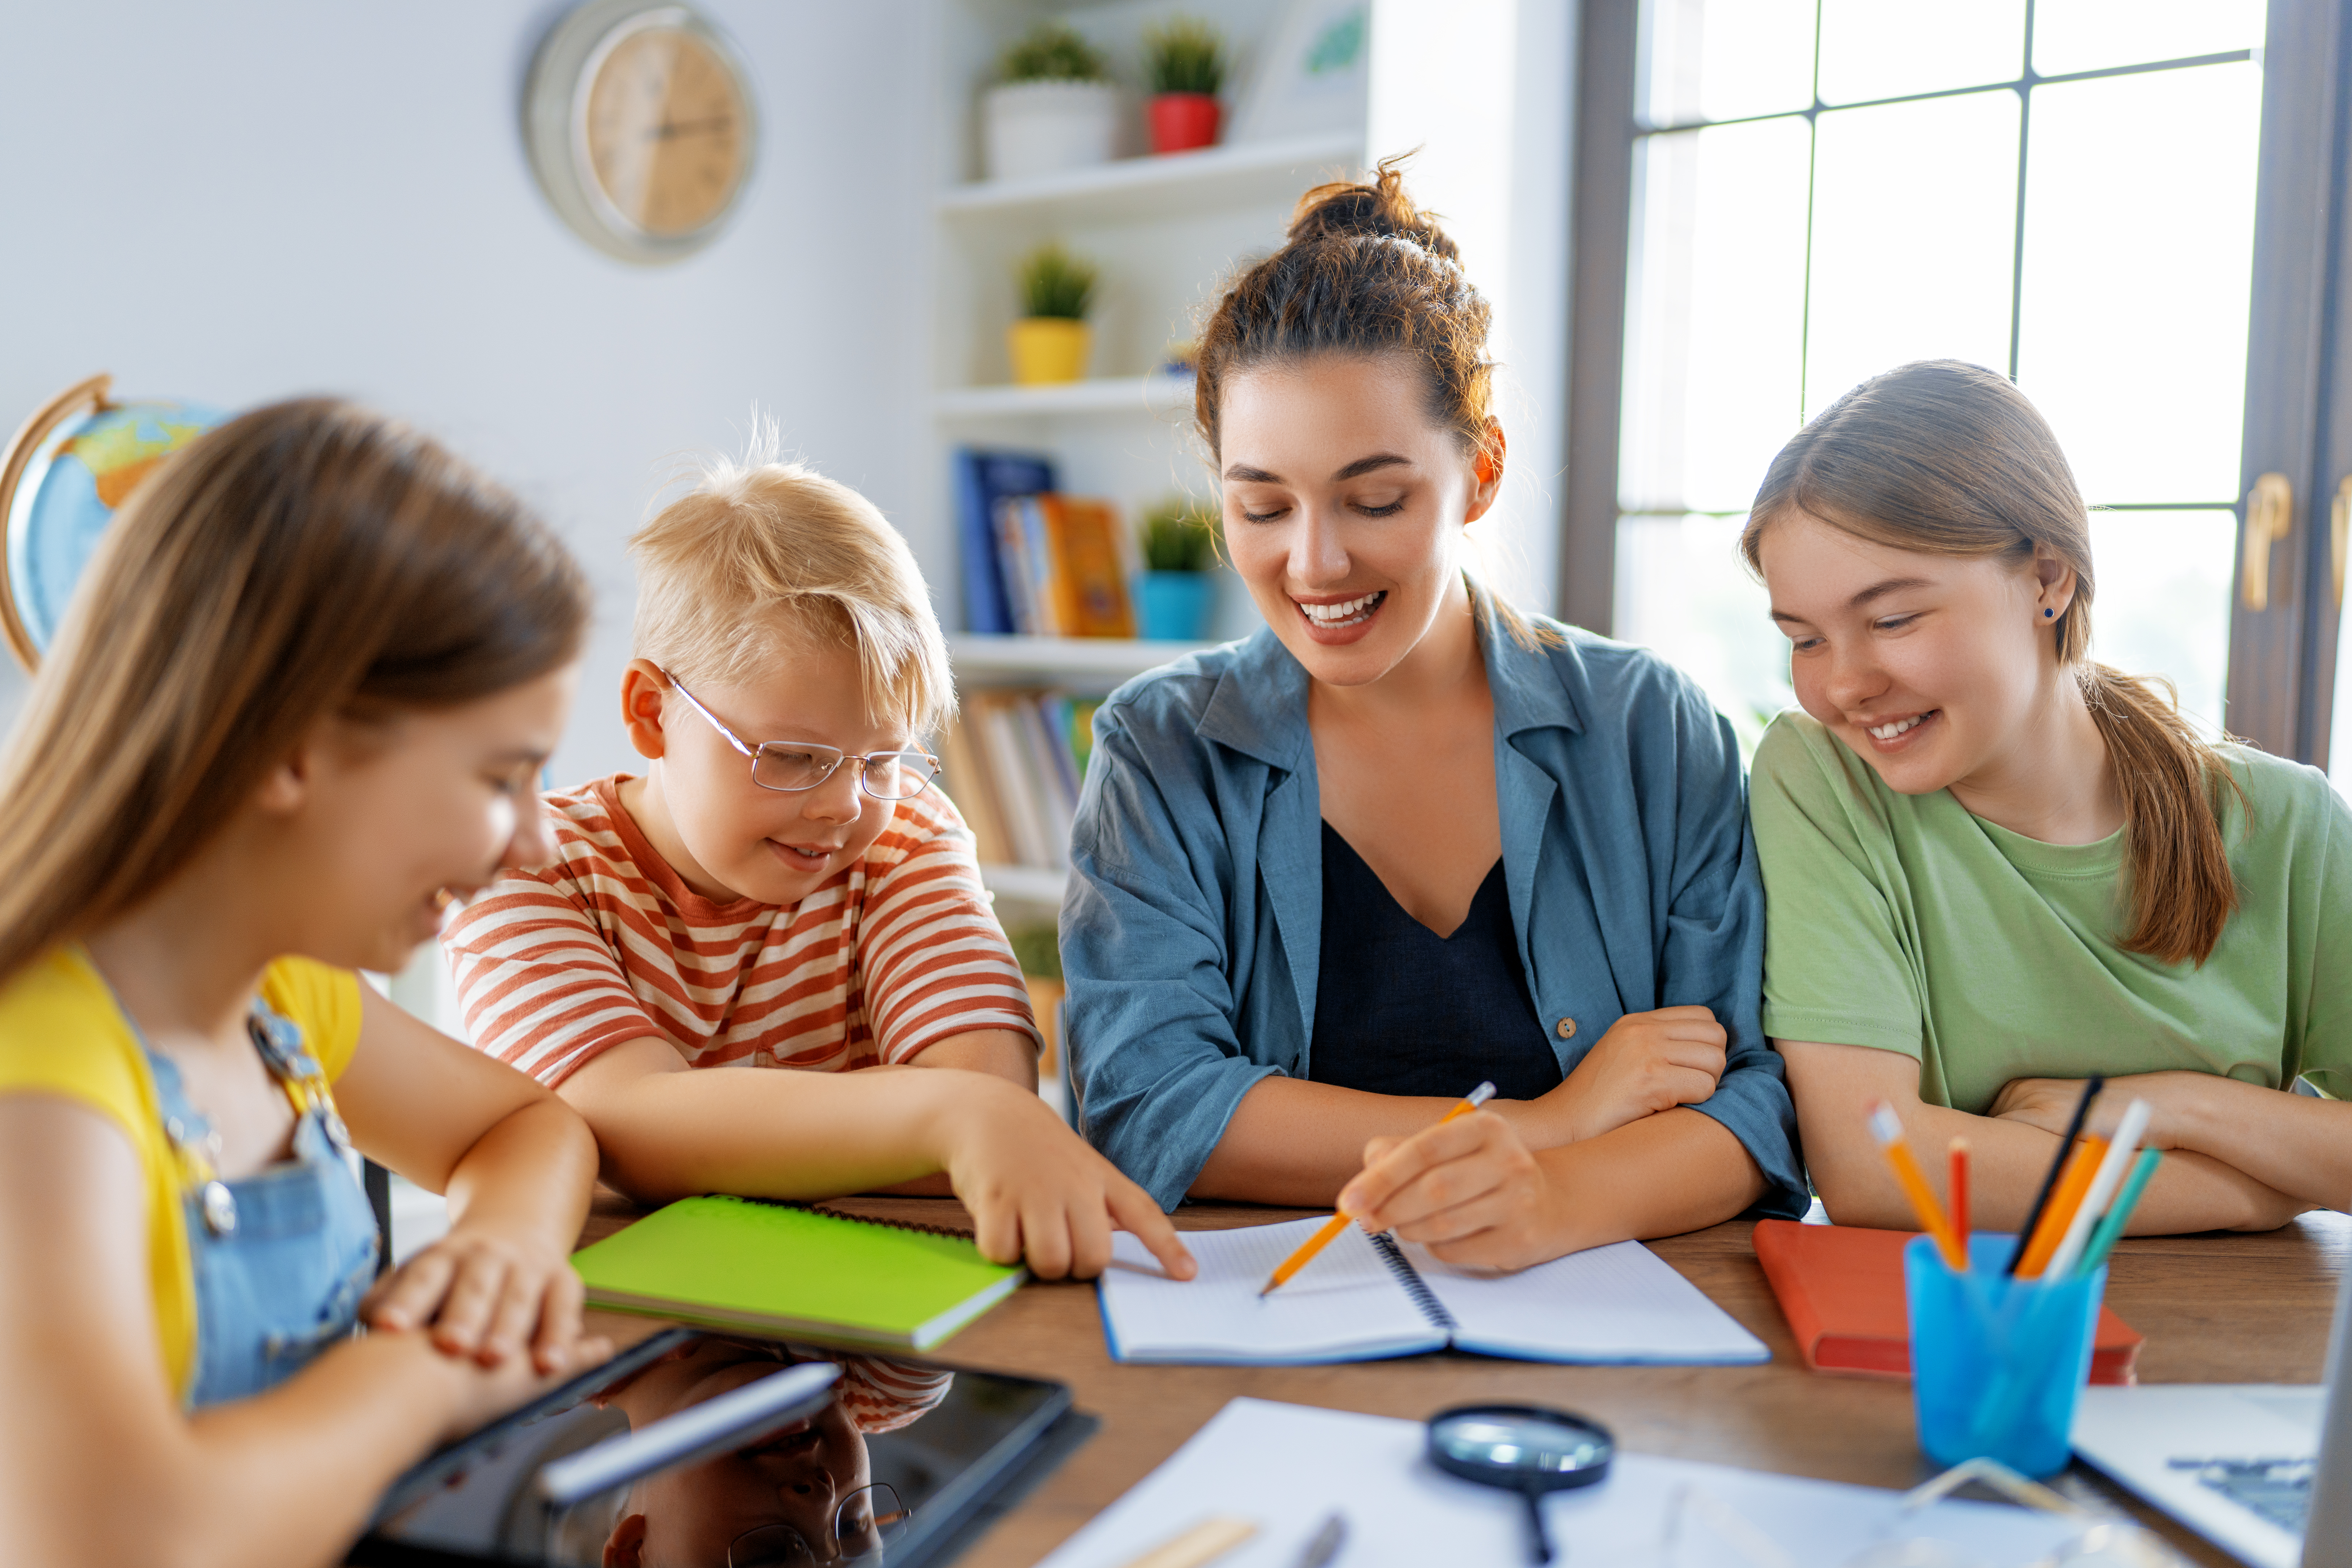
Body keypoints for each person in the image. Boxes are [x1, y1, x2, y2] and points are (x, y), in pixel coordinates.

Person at [1059, 162, 1807, 1271]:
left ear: (1482, 470)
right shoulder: (1159, 749)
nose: (1314, 561)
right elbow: (1149, 1102)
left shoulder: (1652, 729)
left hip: (1602, 1316)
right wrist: (1548, 1125)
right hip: (1268, 1325)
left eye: (1375, 499)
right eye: (1262, 505)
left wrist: (1550, 1203)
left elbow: (1755, 1104)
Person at [0, 400, 616, 1568]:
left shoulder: (280, 996)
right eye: (503, 777)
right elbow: (126, 1539)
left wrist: (506, 1248)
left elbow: (529, 1126)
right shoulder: (41, 1080)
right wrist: (428, 1377)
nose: (539, 844)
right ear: (294, 746)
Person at [444, 449, 1193, 1283]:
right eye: (794, 757)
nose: (844, 804)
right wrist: (943, 1122)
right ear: (653, 714)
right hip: (618, 1323)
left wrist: (956, 1119)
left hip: (873, 1310)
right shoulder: (524, 862)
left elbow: (990, 1092)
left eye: (882, 760)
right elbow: (621, 1122)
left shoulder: (903, 834)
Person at [1746, 359, 2352, 1233]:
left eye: (1892, 620)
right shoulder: (1825, 778)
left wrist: (2179, 1107)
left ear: (2048, 579)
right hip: (1966, 1318)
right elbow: (1874, 1171)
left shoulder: (2288, 827)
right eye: (1805, 639)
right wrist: (2262, 1188)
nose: (1842, 685)